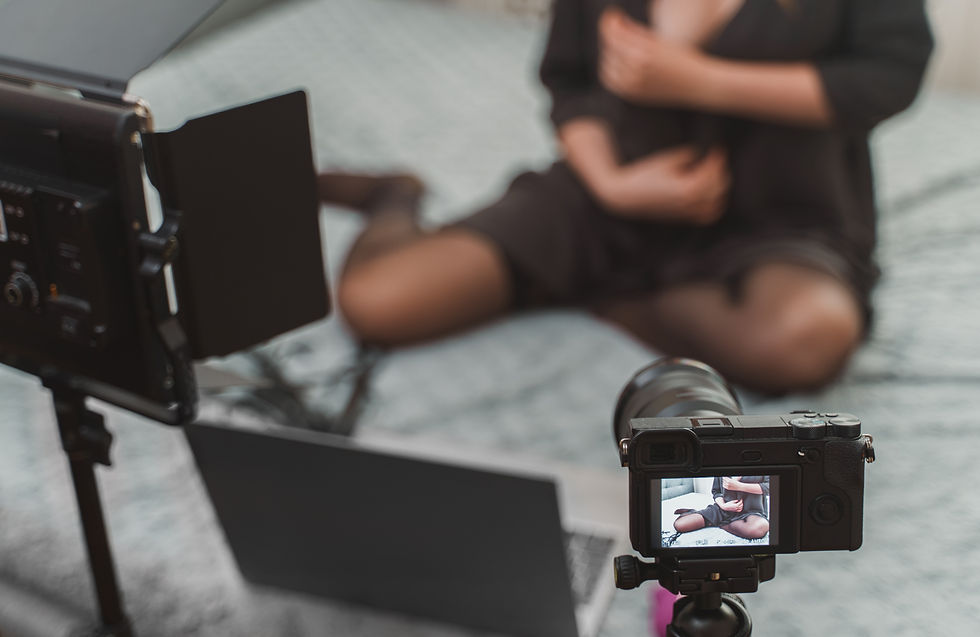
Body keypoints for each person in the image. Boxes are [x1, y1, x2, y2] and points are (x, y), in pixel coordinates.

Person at [319, 0, 933, 394]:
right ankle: (394, 197)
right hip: (606, 194)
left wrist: (701, 80)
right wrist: (613, 183)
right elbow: (571, 79)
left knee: (808, 339)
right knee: (378, 305)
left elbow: (889, 78)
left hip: (779, 211)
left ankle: (619, 299)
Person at [672, 476, 770, 540]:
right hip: (723, 509)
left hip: (752, 511)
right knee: (680, 525)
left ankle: (721, 524)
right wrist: (724, 505)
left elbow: (769, 487)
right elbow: (716, 491)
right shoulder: (723, 460)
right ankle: (694, 512)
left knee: (758, 528)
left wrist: (738, 486)